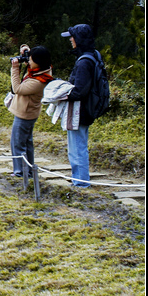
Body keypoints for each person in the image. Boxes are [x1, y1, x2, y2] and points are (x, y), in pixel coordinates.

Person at [8, 44, 53, 178]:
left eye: (31, 60)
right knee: (26, 143)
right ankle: (28, 171)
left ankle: (20, 172)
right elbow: (32, 68)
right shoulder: (42, 71)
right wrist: (26, 52)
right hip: (29, 113)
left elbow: (17, 88)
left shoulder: (38, 82)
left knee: (18, 143)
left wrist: (15, 68)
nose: (28, 62)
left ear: (38, 62)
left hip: (25, 115)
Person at [61, 24, 98, 187]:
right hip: (86, 109)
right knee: (78, 146)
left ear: (79, 39)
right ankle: (79, 179)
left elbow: (79, 91)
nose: (70, 40)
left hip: (79, 111)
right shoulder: (93, 55)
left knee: (77, 148)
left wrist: (61, 93)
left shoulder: (84, 62)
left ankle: (81, 182)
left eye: (72, 37)